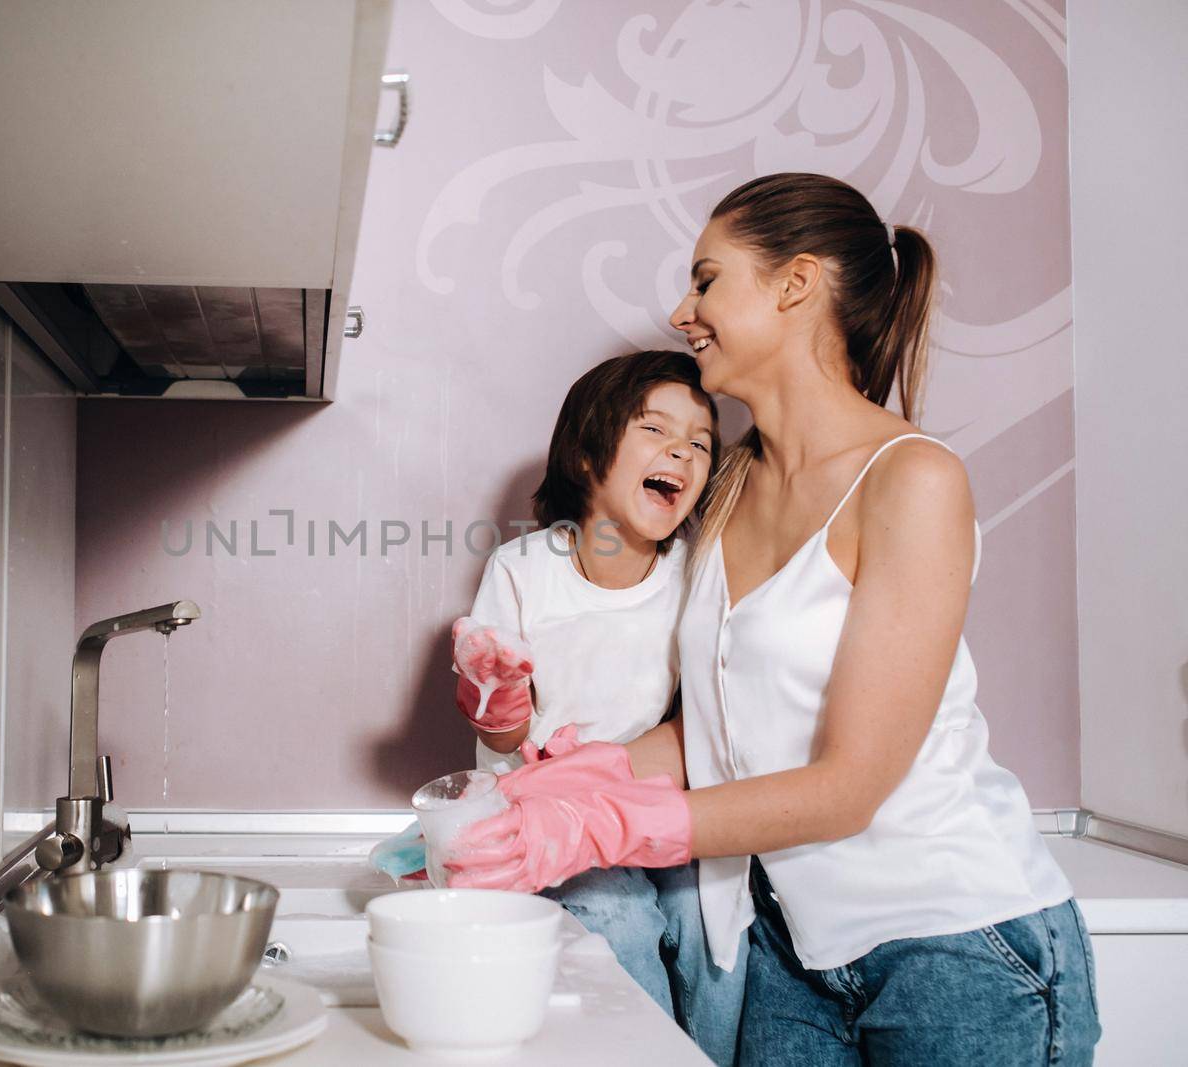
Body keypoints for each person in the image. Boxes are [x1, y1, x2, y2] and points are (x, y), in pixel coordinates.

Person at [447, 173, 1100, 1066]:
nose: (683, 312)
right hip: (791, 955)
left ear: (794, 285)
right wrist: (566, 779)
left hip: (959, 951)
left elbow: (848, 785)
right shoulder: (725, 492)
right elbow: (724, 726)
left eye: (706, 278)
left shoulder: (912, 481)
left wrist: (615, 821)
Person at [450, 350, 746, 1065]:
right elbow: (505, 733)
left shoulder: (699, 568)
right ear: (585, 456)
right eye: (654, 428)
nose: (681, 448)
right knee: (615, 916)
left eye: (700, 441)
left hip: (662, 803)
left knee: (714, 926)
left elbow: (711, 709)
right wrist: (496, 697)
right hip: (559, 822)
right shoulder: (522, 570)